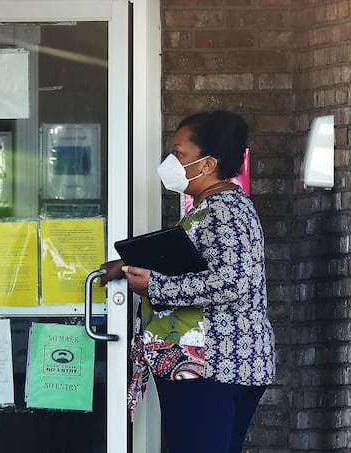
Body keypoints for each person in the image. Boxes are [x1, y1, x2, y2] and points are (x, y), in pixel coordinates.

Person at [101, 110, 275, 453]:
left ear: (208, 164)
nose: (171, 161)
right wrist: (131, 263)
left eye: (180, 154)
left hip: (213, 365)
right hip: (213, 363)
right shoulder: (211, 208)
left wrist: (154, 286)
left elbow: (230, 282)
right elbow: (194, 265)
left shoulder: (224, 210)